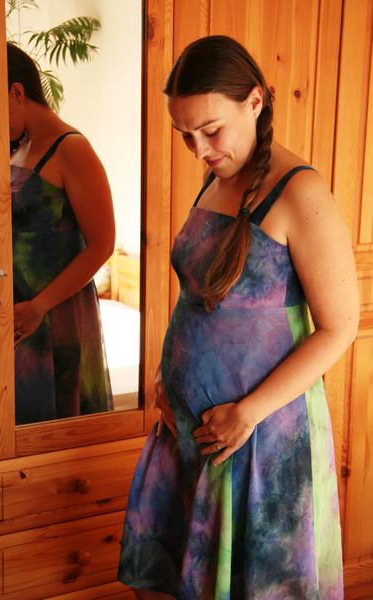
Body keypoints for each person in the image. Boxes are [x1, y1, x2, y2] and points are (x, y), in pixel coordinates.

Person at [117, 35, 359, 599]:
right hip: (191, 433)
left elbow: (339, 327)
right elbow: (200, 300)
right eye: (185, 134)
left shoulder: (301, 193)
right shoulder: (219, 177)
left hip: (256, 440)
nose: (198, 149)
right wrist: (167, 377)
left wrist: (246, 414)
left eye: (210, 130)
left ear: (255, 101)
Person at [7, 43, 115, 424]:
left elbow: (102, 245)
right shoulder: (18, 148)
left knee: (57, 426)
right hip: (19, 315)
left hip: (56, 312)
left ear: (17, 92)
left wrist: (38, 307)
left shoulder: (72, 149)